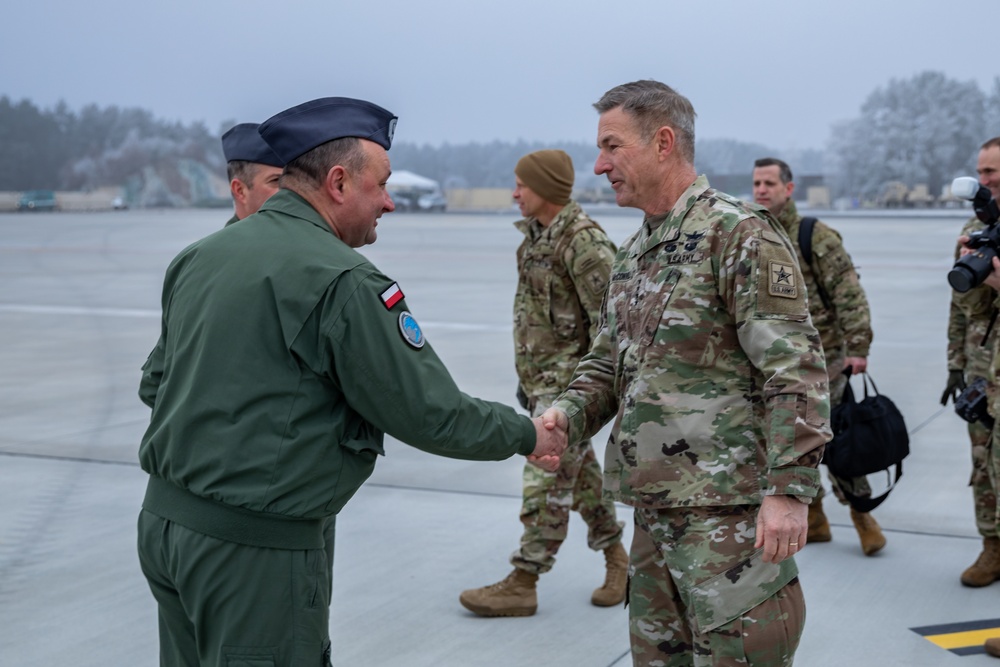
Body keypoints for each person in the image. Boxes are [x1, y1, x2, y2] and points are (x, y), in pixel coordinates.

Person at [136, 96, 566, 667]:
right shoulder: (343, 280)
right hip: (255, 553)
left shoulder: (200, 257)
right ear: (338, 182)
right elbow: (430, 413)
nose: (389, 201)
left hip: (166, 530)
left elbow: (156, 383)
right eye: (380, 185)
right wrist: (527, 435)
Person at [541, 80, 831, 666]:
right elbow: (607, 361)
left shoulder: (738, 233)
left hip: (727, 519)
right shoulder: (637, 251)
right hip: (655, 514)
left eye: (612, 146)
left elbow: (794, 369)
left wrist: (789, 491)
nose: (599, 166)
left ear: (663, 142)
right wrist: (563, 418)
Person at [459, 150, 627, 617]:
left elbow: (613, 329)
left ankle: (525, 579)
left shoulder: (584, 244)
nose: (514, 193)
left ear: (547, 188)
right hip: (539, 385)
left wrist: (587, 400)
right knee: (584, 480)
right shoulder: (534, 238)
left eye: (521, 184)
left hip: (570, 395)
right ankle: (617, 557)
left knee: (544, 479)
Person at [752, 157, 884, 557]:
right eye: (756, 183)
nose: (761, 190)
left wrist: (858, 347)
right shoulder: (752, 234)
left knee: (837, 444)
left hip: (822, 363)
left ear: (788, 189)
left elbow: (848, 294)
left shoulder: (815, 236)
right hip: (772, 365)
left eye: (770, 183)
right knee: (787, 444)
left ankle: (863, 515)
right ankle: (818, 519)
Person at [943, 137, 1000, 590]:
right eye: (980, 172)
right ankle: (992, 545)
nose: (984, 180)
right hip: (985, 371)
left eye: (992, 171)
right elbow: (963, 308)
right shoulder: (975, 227)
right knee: (982, 464)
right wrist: (955, 364)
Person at [220, 122, 284, 226]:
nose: (291, 191)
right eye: (276, 180)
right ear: (240, 190)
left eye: (294, 180)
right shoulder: (227, 242)